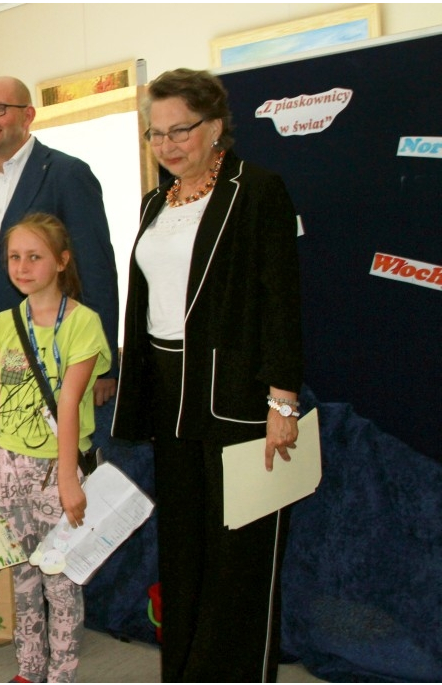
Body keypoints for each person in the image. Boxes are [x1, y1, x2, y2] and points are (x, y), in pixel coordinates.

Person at [111, 68, 303, 682]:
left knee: (239, 551)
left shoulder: (258, 191)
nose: (167, 145)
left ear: (215, 127)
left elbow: (282, 299)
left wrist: (283, 400)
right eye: (155, 134)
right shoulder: (153, 201)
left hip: (238, 396)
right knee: (186, 547)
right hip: (169, 395)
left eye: (180, 131)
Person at [0, 213, 111, 683]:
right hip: (6, 469)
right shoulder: (2, 326)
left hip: (55, 471)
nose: (22, 267)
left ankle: (61, 673)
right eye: (14, 257)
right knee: (21, 580)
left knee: (61, 581)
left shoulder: (83, 323)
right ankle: (29, 670)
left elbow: (69, 402)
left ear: (62, 261)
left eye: (34, 256)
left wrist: (69, 476)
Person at [0, 76, 120, 433]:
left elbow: (97, 270)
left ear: (28, 115)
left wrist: (105, 368)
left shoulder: (67, 174)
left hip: (55, 353)